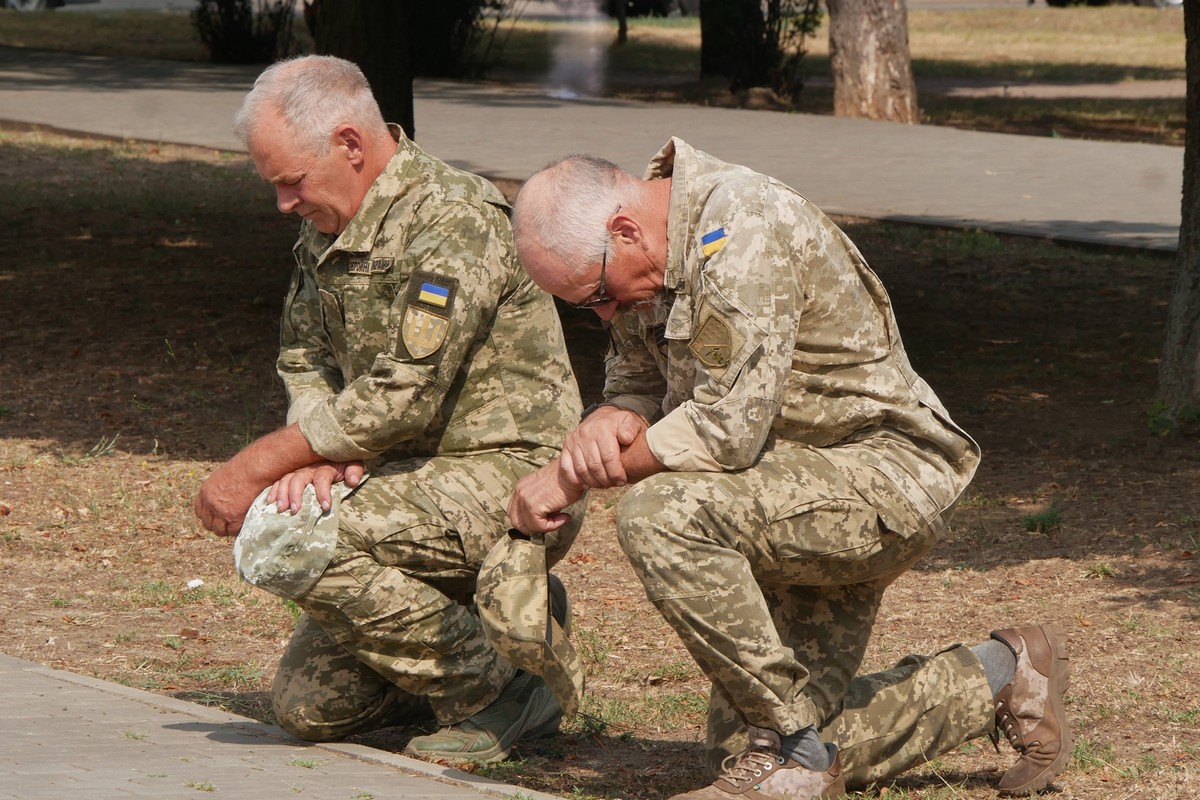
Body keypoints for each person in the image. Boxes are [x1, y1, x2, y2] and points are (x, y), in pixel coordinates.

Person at [505, 140, 1072, 798]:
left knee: (660, 514)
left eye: (598, 294)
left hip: (877, 476)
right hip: (778, 494)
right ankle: (1001, 674)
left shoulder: (740, 227)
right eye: (586, 307)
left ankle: (794, 750)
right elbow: (636, 380)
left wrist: (571, 478)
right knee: (736, 748)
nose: (603, 313)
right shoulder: (653, 259)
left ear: (625, 229)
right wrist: (606, 418)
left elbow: (725, 430)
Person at [193, 55, 585, 762]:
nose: (284, 204)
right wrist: (317, 454)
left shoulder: (453, 218)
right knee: (307, 710)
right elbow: (304, 357)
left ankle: (504, 689)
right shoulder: (327, 224)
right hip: (397, 474)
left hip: (509, 476)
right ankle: (498, 615)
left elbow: (402, 397)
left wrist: (261, 464)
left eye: (291, 182)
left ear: (349, 144)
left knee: (287, 540)